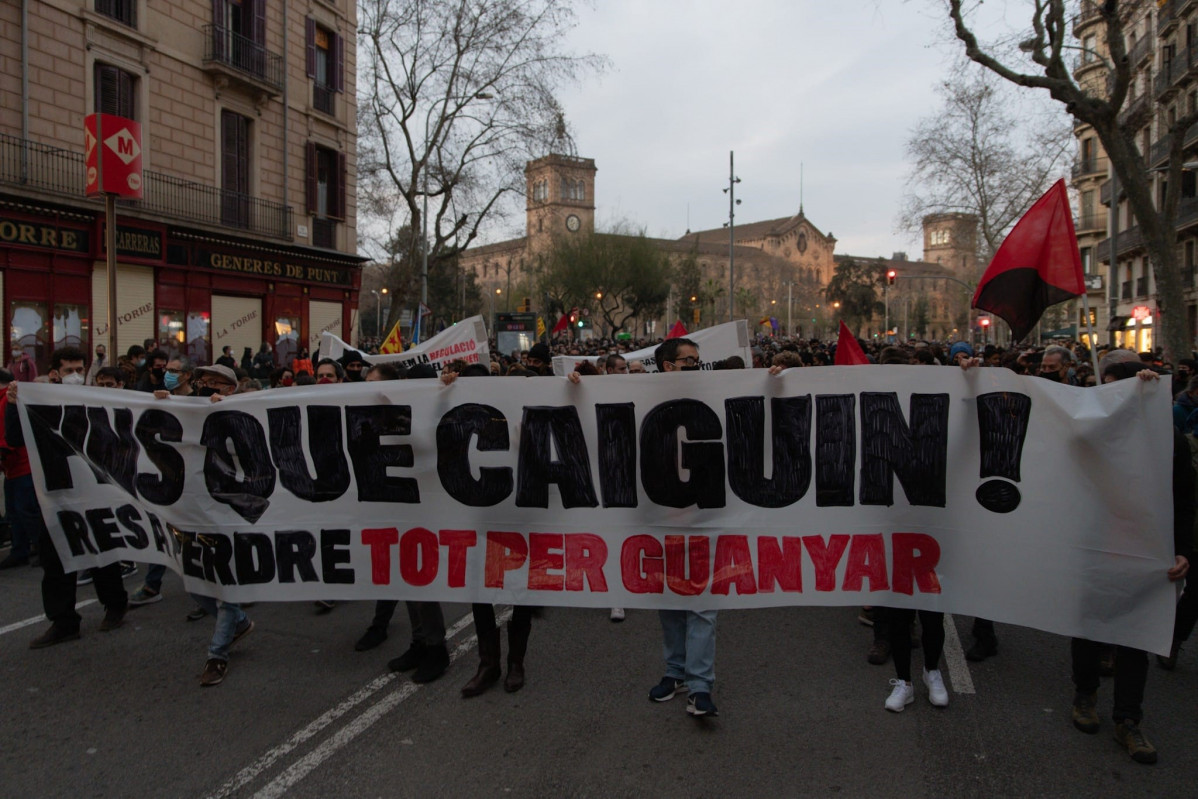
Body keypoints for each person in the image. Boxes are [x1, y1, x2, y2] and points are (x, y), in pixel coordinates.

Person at [1068, 361, 1192, 763]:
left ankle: (1128, 720)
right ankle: (1084, 696)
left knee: (1135, 638)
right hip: (1095, 546)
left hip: (1146, 550)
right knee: (1088, 628)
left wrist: (1184, 550)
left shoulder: (1169, 439)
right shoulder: (1094, 434)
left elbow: (1184, 501)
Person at [7, 347, 129, 648]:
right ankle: (63, 621)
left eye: (79, 369)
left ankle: (114, 605)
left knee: (102, 552)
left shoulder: (94, 401)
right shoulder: (38, 403)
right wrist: (14, 404)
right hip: (55, 493)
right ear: (54, 374)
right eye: (68, 370)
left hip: (92, 491)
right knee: (55, 559)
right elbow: (14, 437)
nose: (75, 376)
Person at [636, 337, 719, 717]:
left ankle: (700, 685)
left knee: (701, 605)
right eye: (690, 361)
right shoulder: (641, 397)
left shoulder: (713, 393)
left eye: (698, 361)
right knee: (669, 602)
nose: (696, 367)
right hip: (659, 518)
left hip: (702, 517)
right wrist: (578, 385)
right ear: (668, 366)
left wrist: (773, 380)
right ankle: (675, 672)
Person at [444, 363, 536, 696]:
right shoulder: (457, 418)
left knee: (521, 592)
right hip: (476, 517)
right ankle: (488, 664)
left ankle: (516, 662)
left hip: (517, 517)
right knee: (479, 592)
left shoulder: (514, 416)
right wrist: (441, 391)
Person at [167, 364, 255, 685]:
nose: (204, 386)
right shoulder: (188, 411)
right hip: (193, 513)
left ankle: (216, 656)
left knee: (226, 586)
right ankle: (240, 623)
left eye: (213, 382)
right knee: (196, 584)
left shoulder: (246, 413)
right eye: (201, 380)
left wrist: (230, 415)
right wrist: (160, 404)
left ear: (230, 388)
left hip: (230, 515)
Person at [0, 368, 36, 569]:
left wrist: (4, 450)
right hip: (11, 465)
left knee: (26, 510)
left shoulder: (8, 400)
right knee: (14, 510)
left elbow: (11, 432)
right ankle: (19, 549)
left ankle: (39, 547)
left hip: (21, 462)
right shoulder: (4, 400)